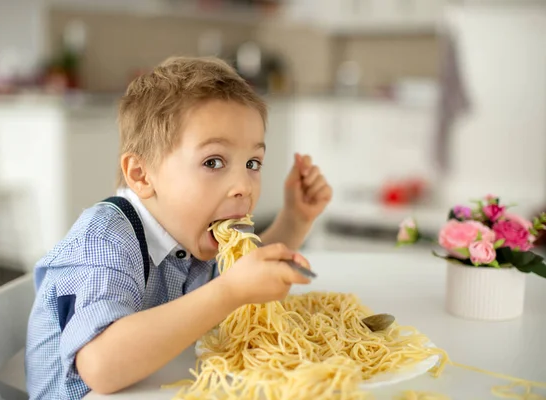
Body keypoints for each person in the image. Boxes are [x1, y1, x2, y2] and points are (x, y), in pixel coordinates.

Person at [25, 56, 333, 399]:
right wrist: (228, 291)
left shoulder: (192, 229)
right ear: (142, 175)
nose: (243, 185)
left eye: (252, 163)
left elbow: (247, 271)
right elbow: (100, 367)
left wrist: (295, 218)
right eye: (213, 162)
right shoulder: (106, 238)